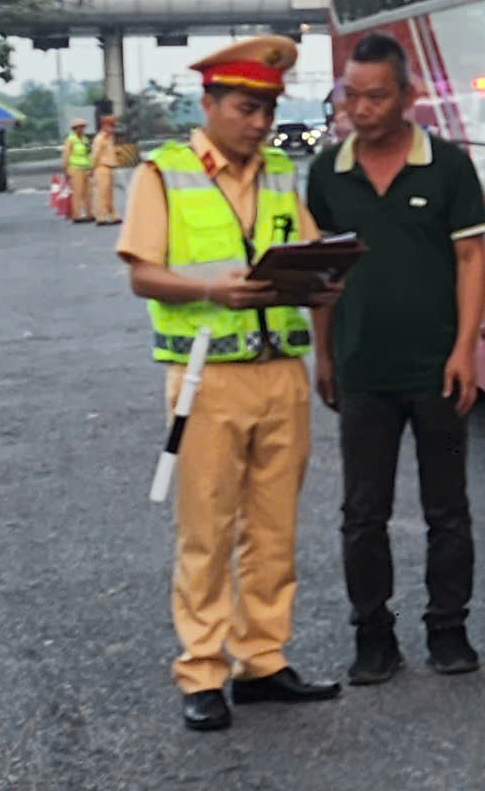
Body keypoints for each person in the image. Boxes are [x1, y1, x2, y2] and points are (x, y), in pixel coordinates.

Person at [116, 36, 344, 732]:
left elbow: (305, 253)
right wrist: (210, 288)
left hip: (281, 371)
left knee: (274, 527)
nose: (259, 124)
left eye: (268, 110)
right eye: (247, 108)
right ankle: (202, 670)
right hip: (206, 375)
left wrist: (324, 281)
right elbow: (140, 273)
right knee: (207, 528)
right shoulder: (165, 172)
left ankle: (263, 660)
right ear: (208, 103)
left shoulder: (279, 172)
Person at [305, 32, 485, 685]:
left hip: (435, 367)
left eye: (375, 95)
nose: (360, 107)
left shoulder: (445, 166)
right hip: (361, 370)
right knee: (362, 514)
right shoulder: (327, 172)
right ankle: (373, 637)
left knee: (447, 509)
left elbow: (471, 259)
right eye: (350, 95)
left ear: (407, 97)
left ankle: (449, 629)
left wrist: (465, 348)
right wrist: (323, 354)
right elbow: (320, 270)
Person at [88, 113, 123, 226]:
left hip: (109, 168)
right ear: (104, 126)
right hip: (101, 168)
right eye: (110, 126)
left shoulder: (109, 138)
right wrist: (92, 169)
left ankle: (113, 216)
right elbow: (95, 155)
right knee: (102, 194)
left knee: (109, 194)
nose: (112, 129)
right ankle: (101, 217)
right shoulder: (100, 139)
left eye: (113, 126)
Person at [64, 118, 94, 222]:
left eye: (82, 127)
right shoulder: (70, 140)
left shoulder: (85, 139)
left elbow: (89, 153)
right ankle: (76, 215)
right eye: (79, 127)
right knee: (77, 193)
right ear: (74, 128)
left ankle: (90, 214)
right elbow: (66, 156)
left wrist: (91, 167)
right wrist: (66, 170)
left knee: (88, 193)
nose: (81, 129)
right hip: (75, 169)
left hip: (85, 169)